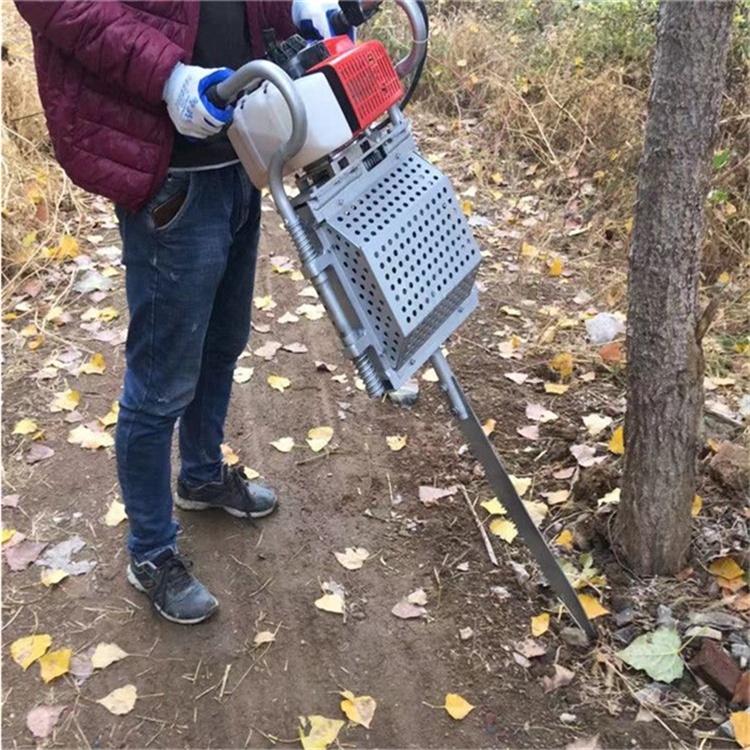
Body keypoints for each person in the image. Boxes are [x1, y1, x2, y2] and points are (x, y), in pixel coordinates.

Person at [17, 0, 343, 625]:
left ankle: (199, 476)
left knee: (223, 342)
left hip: (244, 156)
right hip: (170, 170)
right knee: (162, 380)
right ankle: (151, 549)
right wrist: (170, 76)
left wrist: (300, 8)